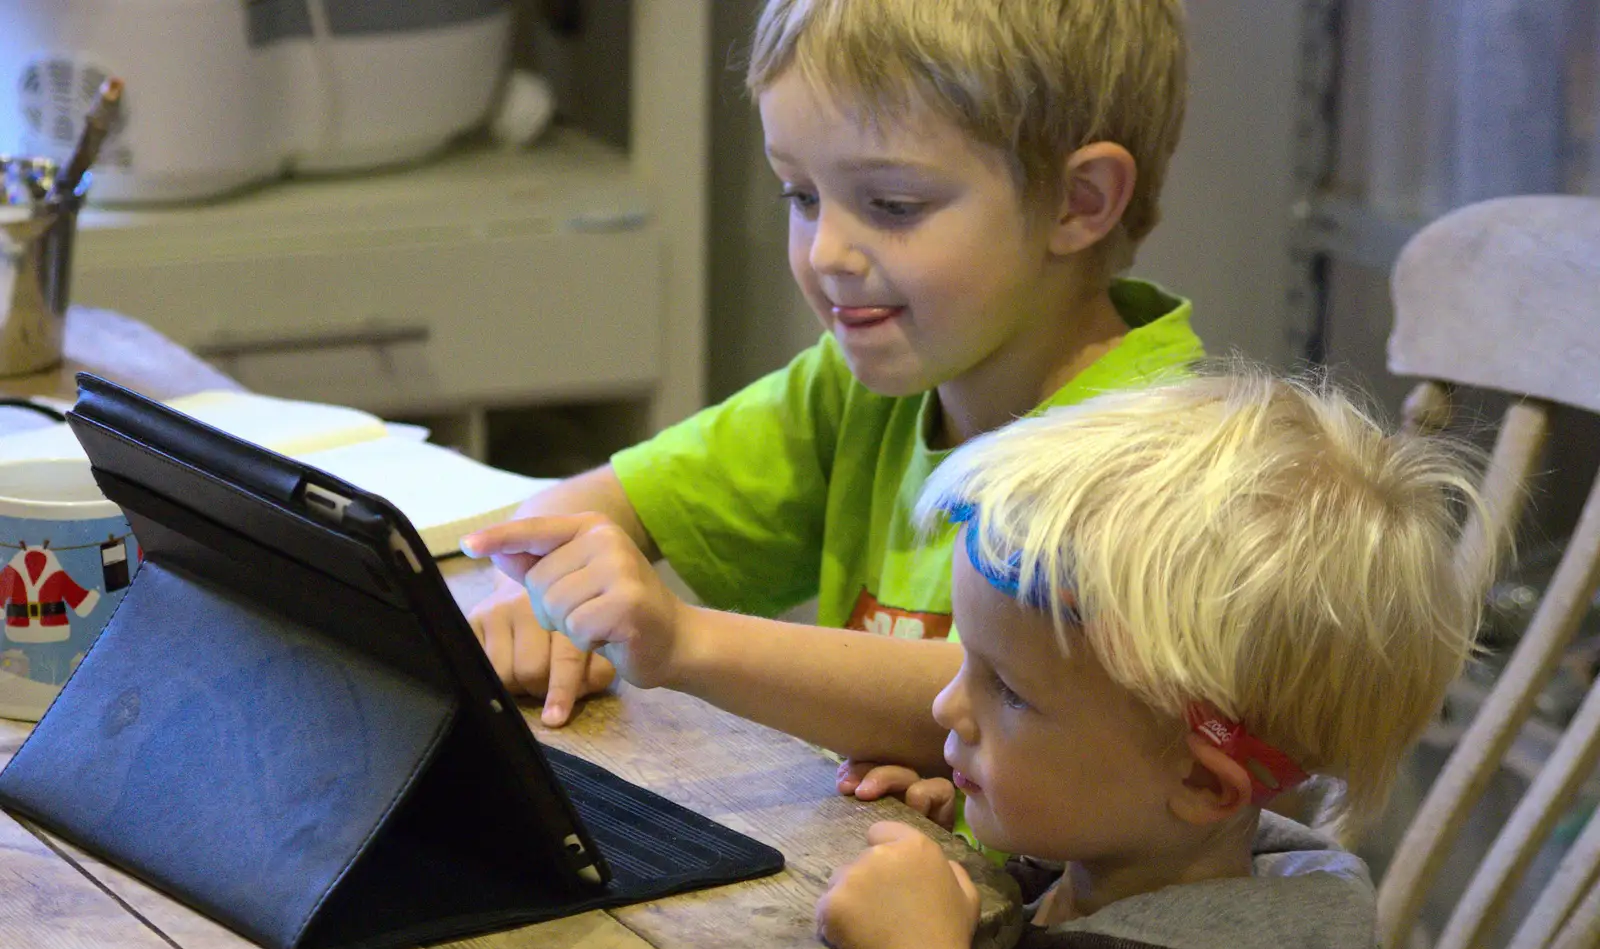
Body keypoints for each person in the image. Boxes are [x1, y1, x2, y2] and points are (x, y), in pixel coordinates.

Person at [464, 0, 1197, 801]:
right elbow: (599, 505)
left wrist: (685, 641)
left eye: (893, 205)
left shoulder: (1154, 454)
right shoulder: (859, 389)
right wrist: (533, 591)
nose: (826, 253)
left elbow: (989, 696)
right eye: (801, 195)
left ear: (1078, 201)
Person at [811, 372, 1498, 949]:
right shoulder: (1110, 870)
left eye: (1011, 693)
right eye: (968, 662)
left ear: (1202, 779)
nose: (946, 708)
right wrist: (968, 891)